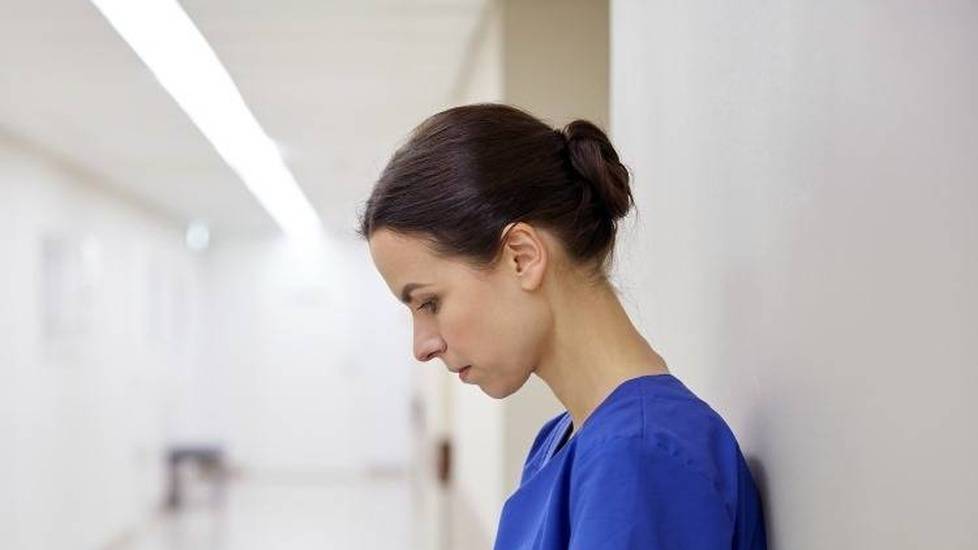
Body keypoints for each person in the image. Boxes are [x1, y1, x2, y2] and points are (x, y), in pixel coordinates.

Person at [357, 103, 767, 549]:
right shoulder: (562, 440)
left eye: (430, 302)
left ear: (522, 257)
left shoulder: (640, 457)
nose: (422, 346)